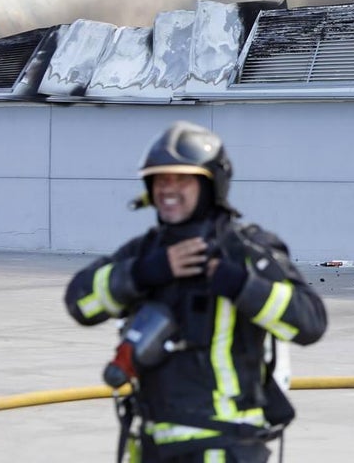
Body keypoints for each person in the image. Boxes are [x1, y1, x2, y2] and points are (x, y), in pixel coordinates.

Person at [65, 121, 328, 462]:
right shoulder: (143, 254)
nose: (168, 188)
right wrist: (145, 272)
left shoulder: (245, 250)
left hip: (224, 445)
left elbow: (310, 322)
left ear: (210, 185)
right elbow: (80, 302)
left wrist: (241, 285)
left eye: (182, 178)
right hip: (152, 445)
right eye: (160, 178)